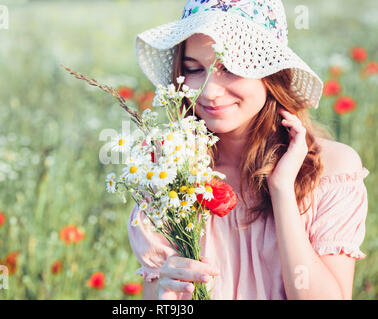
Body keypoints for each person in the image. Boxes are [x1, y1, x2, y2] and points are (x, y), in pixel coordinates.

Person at [128, 0, 369, 300]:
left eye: (230, 68)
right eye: (194, 69)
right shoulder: (170, 177)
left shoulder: (332, 169)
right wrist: (165, 293)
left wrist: (281, 192)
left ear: (271, 73)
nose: (210, 92)